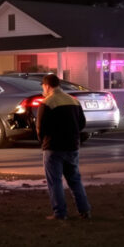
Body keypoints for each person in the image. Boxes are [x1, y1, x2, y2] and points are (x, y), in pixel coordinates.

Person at [37, 73, 92, 221]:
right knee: (75, 180)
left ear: (47, 86)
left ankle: (60, 213)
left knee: (55, 181)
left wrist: (43, 141)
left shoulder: (47, 103)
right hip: (72, 146)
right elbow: (82, 123)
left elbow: (40, 127)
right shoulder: (73, 100)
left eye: (43, 86)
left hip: (53, 147)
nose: (43, 89)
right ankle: (85, 210)